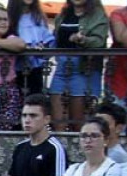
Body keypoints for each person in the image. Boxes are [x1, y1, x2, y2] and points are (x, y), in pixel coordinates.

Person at [49, 0, 109, 131]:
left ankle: (78, 150)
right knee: (58, 122)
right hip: (61, 68)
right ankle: (61, 149)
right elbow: (57, 39)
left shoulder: (97, 14)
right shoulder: (64, 14)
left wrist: (83, 40)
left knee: (79, 124)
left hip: (83, 69)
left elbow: (99, 41)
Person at [6, 0, 55, 96]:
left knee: (34, 103)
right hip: (13, 70)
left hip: (35, 70)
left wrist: (43, 46)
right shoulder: (9, 17)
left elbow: (47, 41)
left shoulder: (38, 17)